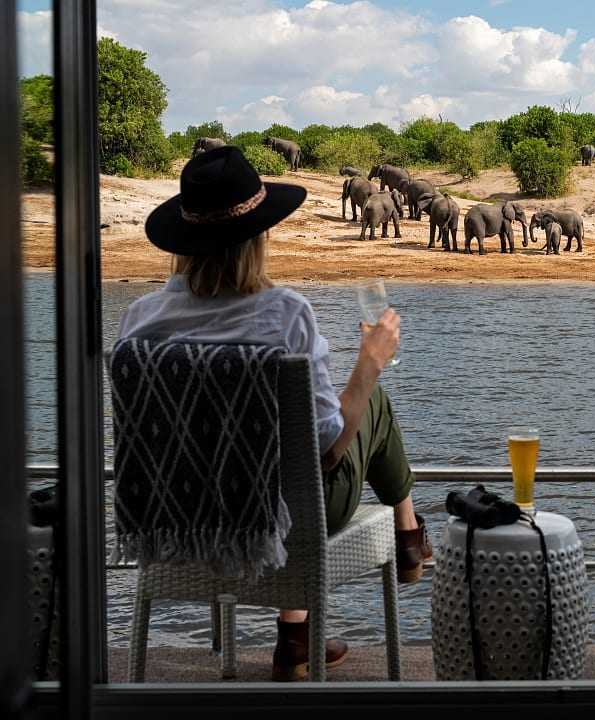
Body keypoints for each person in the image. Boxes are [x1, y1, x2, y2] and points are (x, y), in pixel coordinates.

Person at [118, 145, 430, 681]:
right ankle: (408, 533)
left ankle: (300, 633)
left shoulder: (139, 320)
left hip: (175, 518)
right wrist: (368, 366)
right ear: (258, 238)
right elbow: (328, 451)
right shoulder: (285, 314)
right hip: (277, 523)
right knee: (368, 398)